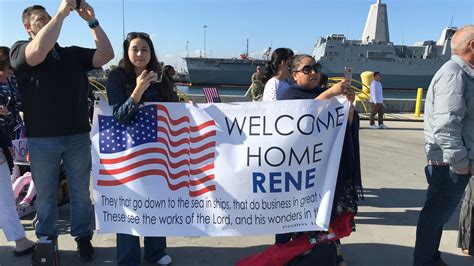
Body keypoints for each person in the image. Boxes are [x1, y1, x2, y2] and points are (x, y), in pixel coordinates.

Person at [9, 1, 114, 262]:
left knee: (80, 193)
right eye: (39, 19)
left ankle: (83, 238)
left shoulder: (72, 54)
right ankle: (46, 238)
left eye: (47, 17)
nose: (45, 21)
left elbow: (106, 55)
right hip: (42, 139)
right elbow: (38, 51)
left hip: (77, 136)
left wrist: (92, 22)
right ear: (27, 27)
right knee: (45, 195)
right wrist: (59, 13)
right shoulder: (20, 50)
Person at [279, 54, 362, 266]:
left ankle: (332, 252)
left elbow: (346, 125)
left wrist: (349, 106)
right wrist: (330, 94)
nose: (314, 73)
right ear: (295, 74)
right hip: (300, 170)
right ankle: (287, 253)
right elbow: (302, 119)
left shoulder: (324, 94)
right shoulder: (290, 96)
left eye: (315, 68)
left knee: (329, 213)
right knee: (294, 216)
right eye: (307, 70)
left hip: (328, 167)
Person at [106, 32, 177, 266]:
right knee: (130, 204)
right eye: (135, 49)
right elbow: (119, 116)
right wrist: (137, 91)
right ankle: (128, 258)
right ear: (127, 51)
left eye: (144, 49)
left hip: (156, 149)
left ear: (151, 52)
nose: (140, 54)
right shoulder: (117, 77)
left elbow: (173, 109)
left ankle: (156, 251)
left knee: (156, 199)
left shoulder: (161, 77)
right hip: (127, 152)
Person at [414, 25, 474, 266]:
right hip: (449, 164)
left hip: (451, 162)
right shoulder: (454, 74)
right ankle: (425, 261)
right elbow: (446, 125)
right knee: (434, 216)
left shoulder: (462, 73)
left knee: (436, 216)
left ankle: (429, 258)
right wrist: (459, 164)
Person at [0, 49, 36, 258]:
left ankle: (20, 239)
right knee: (4, 195)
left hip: (10, 139)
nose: (6, 74)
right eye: (4, 70)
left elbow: (21, 103)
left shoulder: (13, 81)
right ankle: (20, 240)